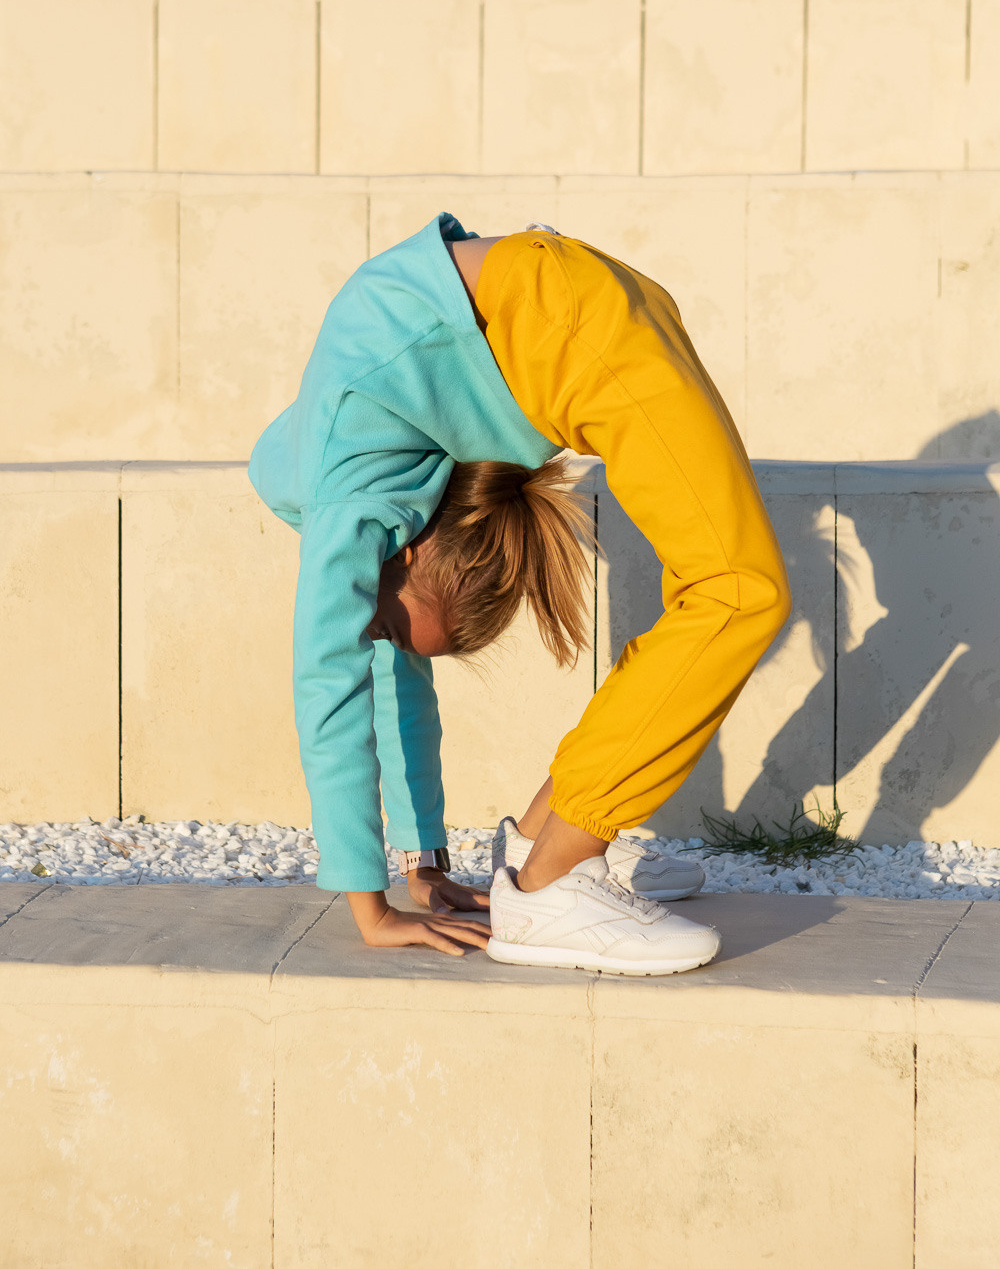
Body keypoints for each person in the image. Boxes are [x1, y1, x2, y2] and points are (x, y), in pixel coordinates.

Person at [249, 214, 791, 975]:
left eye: (393, 628)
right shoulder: (364, 487)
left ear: (408, 554)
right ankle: (545, 851)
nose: (383, 640)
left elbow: (327, 683)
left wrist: (370, 910)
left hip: (569, 318)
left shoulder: (341, 499)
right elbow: (384, 676)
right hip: (571, 299)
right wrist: (421, 863)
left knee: (736, 590)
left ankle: (550, 879)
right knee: (735, 588)